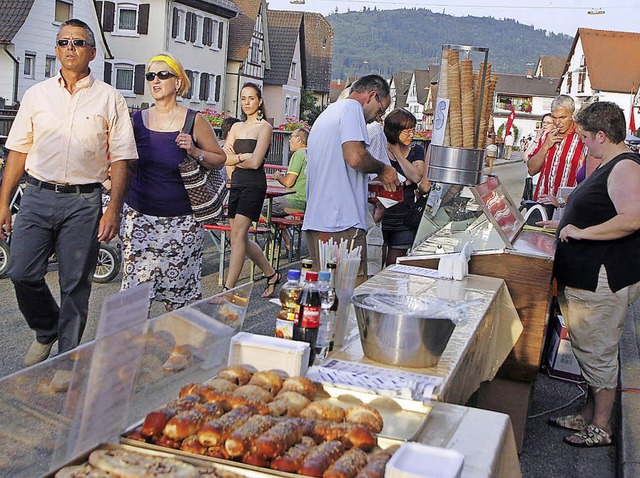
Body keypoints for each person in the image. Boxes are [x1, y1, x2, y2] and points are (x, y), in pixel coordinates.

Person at [0, 19, 137, 372]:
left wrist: (114, 211)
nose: (70, 47)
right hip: (36, 195)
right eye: (64, 42)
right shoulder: (37, 94)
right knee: (21, 271)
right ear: (57, 50)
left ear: (92, 52)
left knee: (75, 283)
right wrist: (3, 202)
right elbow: (17, 150)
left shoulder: (110, 98)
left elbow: (121, 158)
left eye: (78, 42)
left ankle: (66, 359)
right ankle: (46, 329)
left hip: (84, 201)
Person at [541, 102, 640, 448]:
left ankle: (601, 426)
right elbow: (602, 211)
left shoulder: (625, 167)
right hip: (587, 274)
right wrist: (564, 225)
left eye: (585, 137)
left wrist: (582, 234)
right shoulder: (613, 163)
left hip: (601, 276)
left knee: (598, 350)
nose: (583, 144)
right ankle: (588, 413)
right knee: (589, 348)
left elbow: (631, 218)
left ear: (602, 135)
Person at [120, 53, 226, 314]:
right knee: (134, 294)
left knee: (180, 295)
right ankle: (128, 351)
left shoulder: (193, 120)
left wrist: (195, 151)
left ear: (178, 82)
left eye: (162, 75)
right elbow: (124, 163)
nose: (155, 80)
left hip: (181, 222)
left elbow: (220, 159)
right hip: (139, 218)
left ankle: (181, 352)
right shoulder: (137, 120)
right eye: (150, 76)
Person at [302, 75, 399, 284]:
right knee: (349, 295)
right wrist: (383, 169)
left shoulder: (329, 112)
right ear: (372, 96)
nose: (377, 117)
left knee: (325, 295)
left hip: (318, 220)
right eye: (381, 109)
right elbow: (355, 156)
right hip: (341, 222)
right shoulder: (352, 109)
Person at [223, 83, 280, 298]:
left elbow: (256, 163)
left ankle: (228, 289)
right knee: (241, 238)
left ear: (260, 101)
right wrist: (240, 158)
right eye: (243, 98)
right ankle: (272, 274)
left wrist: (235, 160)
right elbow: (223, 158)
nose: (247, 103)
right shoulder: (236, 127)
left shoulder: (264, 127)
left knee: (238, 235)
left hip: (253, 185)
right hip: (236, 184)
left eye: (251, 98)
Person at [381, 109, 426, 266]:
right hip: (381, 214)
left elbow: (416, 176)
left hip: (405, 217)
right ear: (394, 131)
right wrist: (405, 180)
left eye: (413, 130)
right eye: (407, 131)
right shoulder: (380, 150)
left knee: (394, 264)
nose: (411, 135)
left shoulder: (417, 150)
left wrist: (397, 153)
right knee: (374, 263)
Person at [527, 95, 587, 203]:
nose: (558, 122)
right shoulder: (546, 136)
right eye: (554, 117)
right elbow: (531, 170)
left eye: (563, 117)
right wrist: (545, 146)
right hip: (542, 201)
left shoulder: (583, 139)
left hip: (569, 204)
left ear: (572, 116)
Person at [269, 127, 308, 217]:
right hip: (309, 201)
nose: (289, 140)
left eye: (291, 137)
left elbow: (288, 182)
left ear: (298, 139)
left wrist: (278, 176)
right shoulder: (310, 154)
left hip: (295, 200)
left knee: (258, 206)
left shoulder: (299, 154)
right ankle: (281, 230)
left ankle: (266, 230)